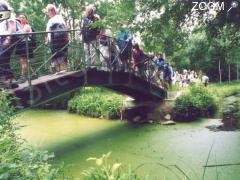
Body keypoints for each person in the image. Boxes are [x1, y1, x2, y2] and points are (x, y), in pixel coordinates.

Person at [0, 0, 21, 87]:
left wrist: (8, 38)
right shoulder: (2, 15)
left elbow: (12, 26)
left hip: (9, 38)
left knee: (2, 58)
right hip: (2, 39)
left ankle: (9, 80)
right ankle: (10, 81)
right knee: (4, 59)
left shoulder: (9, 14)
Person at [45, 4, 68, 74]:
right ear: (47, 12)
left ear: (55, 11)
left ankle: (63, 70)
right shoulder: (49, 20)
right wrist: (47, 40)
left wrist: (67, 36)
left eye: (52, 10)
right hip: (52, 40)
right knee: (55, 55)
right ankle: (58, 70)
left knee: (60, 53)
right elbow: (47, 32)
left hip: (59, 40)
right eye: (49, 10)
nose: (51, 12)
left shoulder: (58, 17)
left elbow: (64, 27)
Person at [15, 14, 33, 82]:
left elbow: (22, 34)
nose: (21, 18)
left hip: (25, 44)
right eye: (20, 17)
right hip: (20, 44)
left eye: (23, 17)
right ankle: (34, 73)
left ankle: (23, 77)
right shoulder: (18, 26)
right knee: (23, 61)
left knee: (23, 61)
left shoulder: (27, 26)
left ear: (26, 19)